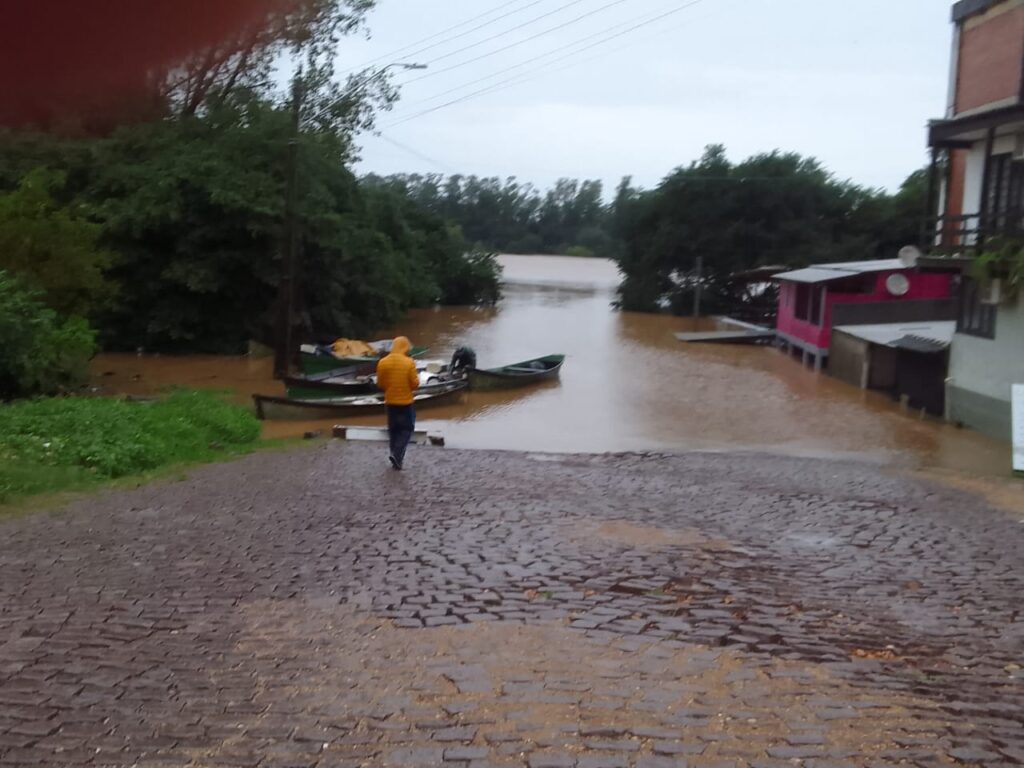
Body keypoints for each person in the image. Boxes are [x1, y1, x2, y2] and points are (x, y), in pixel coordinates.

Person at [376, 336, 419, 470]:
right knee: (406, 429)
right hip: (406, 402)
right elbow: (415, 384)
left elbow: (380, 383)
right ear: (405, 347)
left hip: (390, 402)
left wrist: (390, 388)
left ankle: (394, 455)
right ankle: (397, 455)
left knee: (393, 429)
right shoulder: (409, 362)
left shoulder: (383, 362)